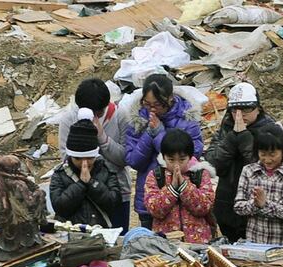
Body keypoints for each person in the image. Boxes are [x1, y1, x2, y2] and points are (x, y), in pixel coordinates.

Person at [125, 74, 203, 229]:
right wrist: (149, 133)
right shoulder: (138, 119)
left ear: (170, 99)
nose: (152, 109)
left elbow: (192, 157)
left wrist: (160, 134)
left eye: (158, 104)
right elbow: (133, 161)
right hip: (149, 197)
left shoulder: (186, 119)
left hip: (181, 198)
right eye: (147, 104)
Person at [205, 82, 277, 242]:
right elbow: (213, 163)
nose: (239, 115)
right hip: (227, 204)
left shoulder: (271, 130)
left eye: (245, 110)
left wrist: (244, 137)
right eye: (234, 110)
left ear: (258, 108)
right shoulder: (226, 129)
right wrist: (232, 139)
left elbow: (266, 166)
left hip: (258, 206)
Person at [58, 78, 130, 234]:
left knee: (117, 241)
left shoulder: (119, 115)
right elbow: (65, 158)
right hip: (81, 195)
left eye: (99, 113)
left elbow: (125, 158)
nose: (96, 116)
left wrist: (102, 138)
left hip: (115, 192)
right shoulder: (68, 120)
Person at [234, 124, 283, 248]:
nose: (268, 159)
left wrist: (266, 205)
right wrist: (255, 204)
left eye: (272, 154)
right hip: (255, 243)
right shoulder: (249, 171)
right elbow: (238, 206)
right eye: (263, 154)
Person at [51, 108, 122, 228]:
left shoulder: (106, 170)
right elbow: (60, 207)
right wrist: (81, 185)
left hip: (99, 232)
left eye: (89, 158)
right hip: (70, 234)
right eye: (78, 159)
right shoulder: (60, 174)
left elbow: (114, 202)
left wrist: (92, 183)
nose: (85, 163)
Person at [144, 129, 215, 244]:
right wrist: (171, 189)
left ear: (190, 157)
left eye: (182, 160)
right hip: (166, 242)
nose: (176, 165)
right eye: (171, 160)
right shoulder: (156, 176)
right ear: (164, 157)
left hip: (197, 241)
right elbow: (154, 210)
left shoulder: (200, 174)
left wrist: (184, 186)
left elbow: (204, 207)